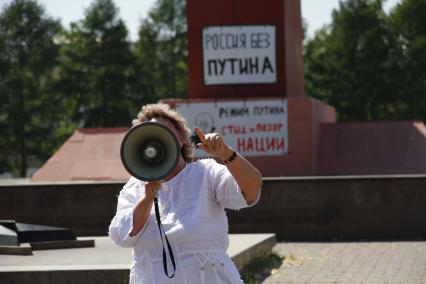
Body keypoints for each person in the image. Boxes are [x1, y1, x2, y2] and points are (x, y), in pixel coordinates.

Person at [109, 103, 262, 283]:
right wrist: (147, 198)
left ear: (181, 139)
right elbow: (123, 236)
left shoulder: (206, 172)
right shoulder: (135, 187)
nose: (157, 137)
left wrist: (226, 154)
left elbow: (252, 192)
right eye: (150, 132)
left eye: (164, 130)